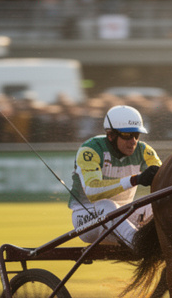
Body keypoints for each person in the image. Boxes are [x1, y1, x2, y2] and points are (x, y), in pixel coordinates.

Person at [69, 105, 162, 250]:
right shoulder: (91, 149)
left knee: (161, 201)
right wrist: (135, 179)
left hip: (126, 215)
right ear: (111, 135)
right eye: (127, 135)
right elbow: (92, 191)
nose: (133, 141)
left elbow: (166, 179)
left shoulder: (144, 150)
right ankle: (139, 245)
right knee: (107, 205)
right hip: (88, 217)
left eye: (136, 135)